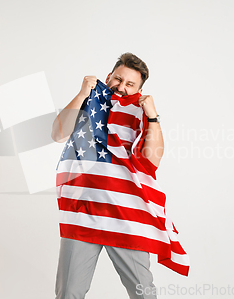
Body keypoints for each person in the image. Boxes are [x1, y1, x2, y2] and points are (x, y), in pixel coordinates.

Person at [51, 53, 168, 299]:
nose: (122, 87)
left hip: (126, 214)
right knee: (68, 293)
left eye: (130, 84)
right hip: (83, 212)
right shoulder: (89, 103)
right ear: (109, 77)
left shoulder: (141, 112)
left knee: (143, 293)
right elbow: (58, 134)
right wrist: (83, 94)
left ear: (140, 89)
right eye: (118, 79)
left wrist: (153, 116)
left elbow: (152, 160)